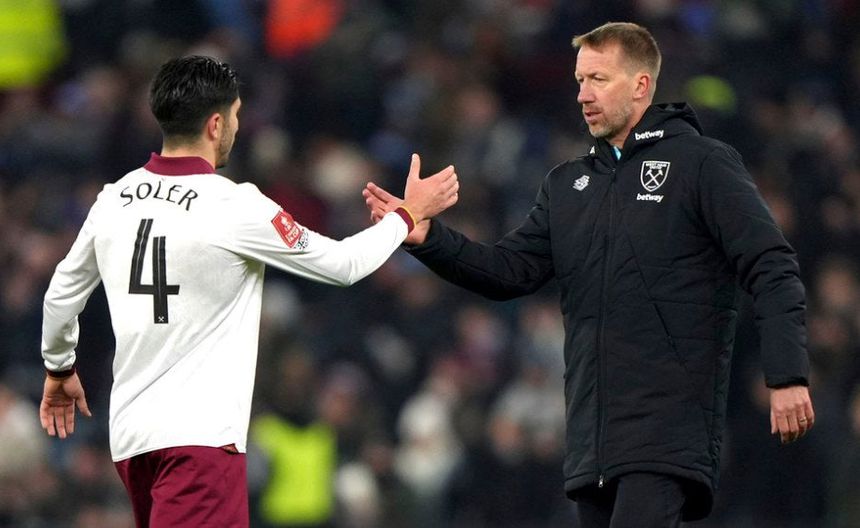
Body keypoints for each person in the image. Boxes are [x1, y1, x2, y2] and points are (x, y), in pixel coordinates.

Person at [363, 22, 814, 527]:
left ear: (641, 85)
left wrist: (787, 375)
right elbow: (508, 271)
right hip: (590, 442)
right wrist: (428, 236)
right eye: (580, 80)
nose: (583, 94)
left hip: (666, 433)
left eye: (598, 79)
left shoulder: (702, 164)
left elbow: (771, 264)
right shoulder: (568, 185)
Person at [38, 55, 458, 528]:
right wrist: (407, 216)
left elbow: (61, 296)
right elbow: (343, 265)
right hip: (198, 442)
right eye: (236, 115)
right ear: (216, 124)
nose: (238, 127)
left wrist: (59, 367)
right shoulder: (234, 206)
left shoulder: (114, 198)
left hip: (132, 441)